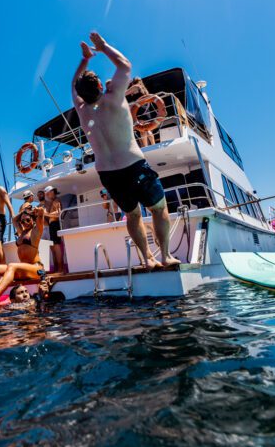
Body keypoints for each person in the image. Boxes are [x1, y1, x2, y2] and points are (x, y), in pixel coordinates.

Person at [72, 31, 180, 269]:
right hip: (133, 166)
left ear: (80, 94)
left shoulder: (82, 109)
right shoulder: (113, 98)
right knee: (159, 208)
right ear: (100, 85)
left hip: (108, 174)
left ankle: (146, 259)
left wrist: (85, 60)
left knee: (133, 215)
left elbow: (73, 85)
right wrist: (103, 46)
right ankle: (164, 255)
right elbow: (124, 65)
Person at [0, 206, 47, 304]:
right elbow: (14, 220)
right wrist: (24, 212)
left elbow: (41, 216)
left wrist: (39, 212)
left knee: (12, 266)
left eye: (27, 220)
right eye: (22, 222)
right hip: (24, 271)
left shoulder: (36, 231)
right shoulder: (21, 232)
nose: (24, 223)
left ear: (33, 220)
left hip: (36, 268)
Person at [125, 77, 156, 147]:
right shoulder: (144, 89)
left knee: (142, 129)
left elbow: (124, 93)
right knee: (147, 128)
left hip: (140, 110)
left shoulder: (136, 87)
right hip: (146, 110)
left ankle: (146, 146)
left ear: (133, 82)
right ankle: (153, 144)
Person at [43, 186, 63, 272]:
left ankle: (60, 269)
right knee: (55, 247)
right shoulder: (54, 201)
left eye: (48, 193)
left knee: (57, 246)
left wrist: (46, 214)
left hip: (55, 224)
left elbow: (58, 213)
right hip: (53, 225)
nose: (47, 195)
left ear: (52, 192)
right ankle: (58, 268)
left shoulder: (56, 200)